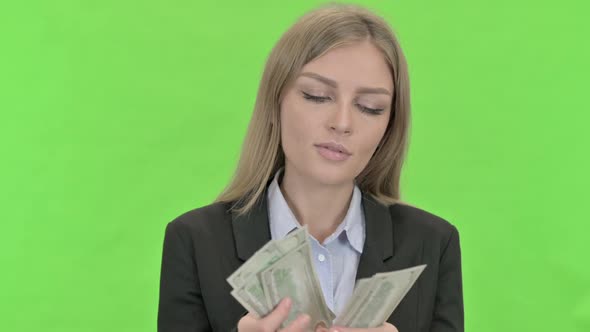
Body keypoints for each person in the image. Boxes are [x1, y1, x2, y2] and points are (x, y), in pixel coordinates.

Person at [157, 3, 463, 332]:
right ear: (275, 101)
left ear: (389, 125)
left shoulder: (432, 243)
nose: (342, 123)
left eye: (369, 107)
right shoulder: (195, 241)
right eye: (317, 96)